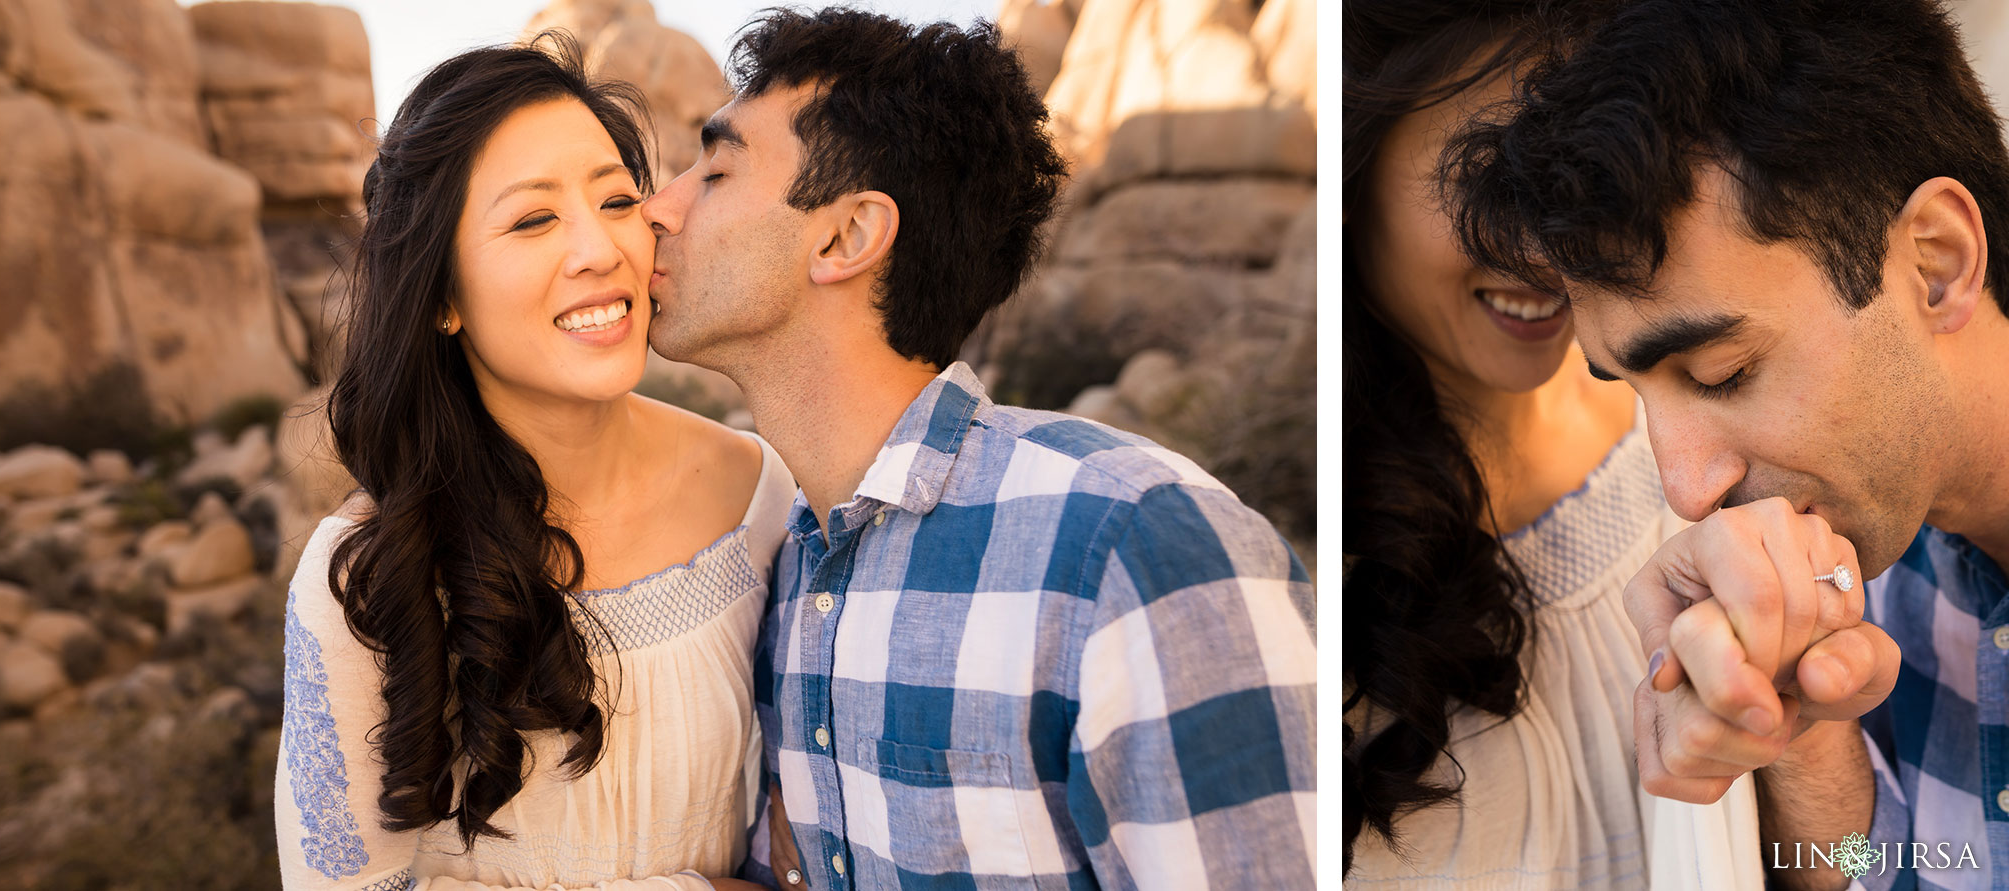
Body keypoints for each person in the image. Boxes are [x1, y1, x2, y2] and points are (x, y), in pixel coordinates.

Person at [630, 8, 1316, 889]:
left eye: (716, 170)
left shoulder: (1137, 547)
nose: (659, 205)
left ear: (845, 237)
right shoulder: (783, 562)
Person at [1444, 0, 2009, 887]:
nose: (1687, 487)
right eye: (1638, 394)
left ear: (1937, 263)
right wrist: (1802, 741)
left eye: (1720, 373)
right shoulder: (1867, 564)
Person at [274, 35, 788, 891]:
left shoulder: (756, 490)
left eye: (618, 201)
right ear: (441, 296)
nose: (598, 251)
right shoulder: (367, 573)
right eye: (534, 218)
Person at [1341, 1, 1764, 886]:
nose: (1545, 238)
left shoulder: (1734, 449)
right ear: (1357, 153)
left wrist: (1817, 762)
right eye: (1484, 160)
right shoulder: (1305, 577)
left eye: (1588, 150)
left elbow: (1874, 853)